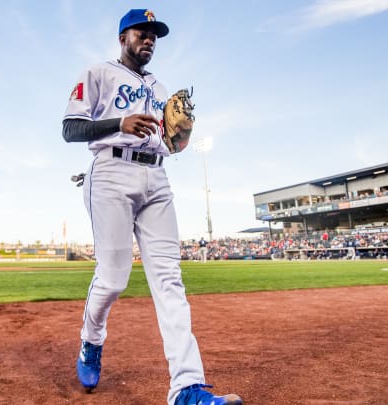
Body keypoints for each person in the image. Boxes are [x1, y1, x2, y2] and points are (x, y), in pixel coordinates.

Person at [62, 8, 242, 405]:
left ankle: (187, 387)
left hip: (157, 179)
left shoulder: (162, 91)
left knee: (169, 280)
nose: (149, 40)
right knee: (113, 279)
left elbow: (170, 144)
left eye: (154, 36)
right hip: (110, 171)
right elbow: (70, 129)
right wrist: (118, 123)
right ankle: (91, 340)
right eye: (142, 33)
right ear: (123, 37)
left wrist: (179, 140)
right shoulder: (99, 73)